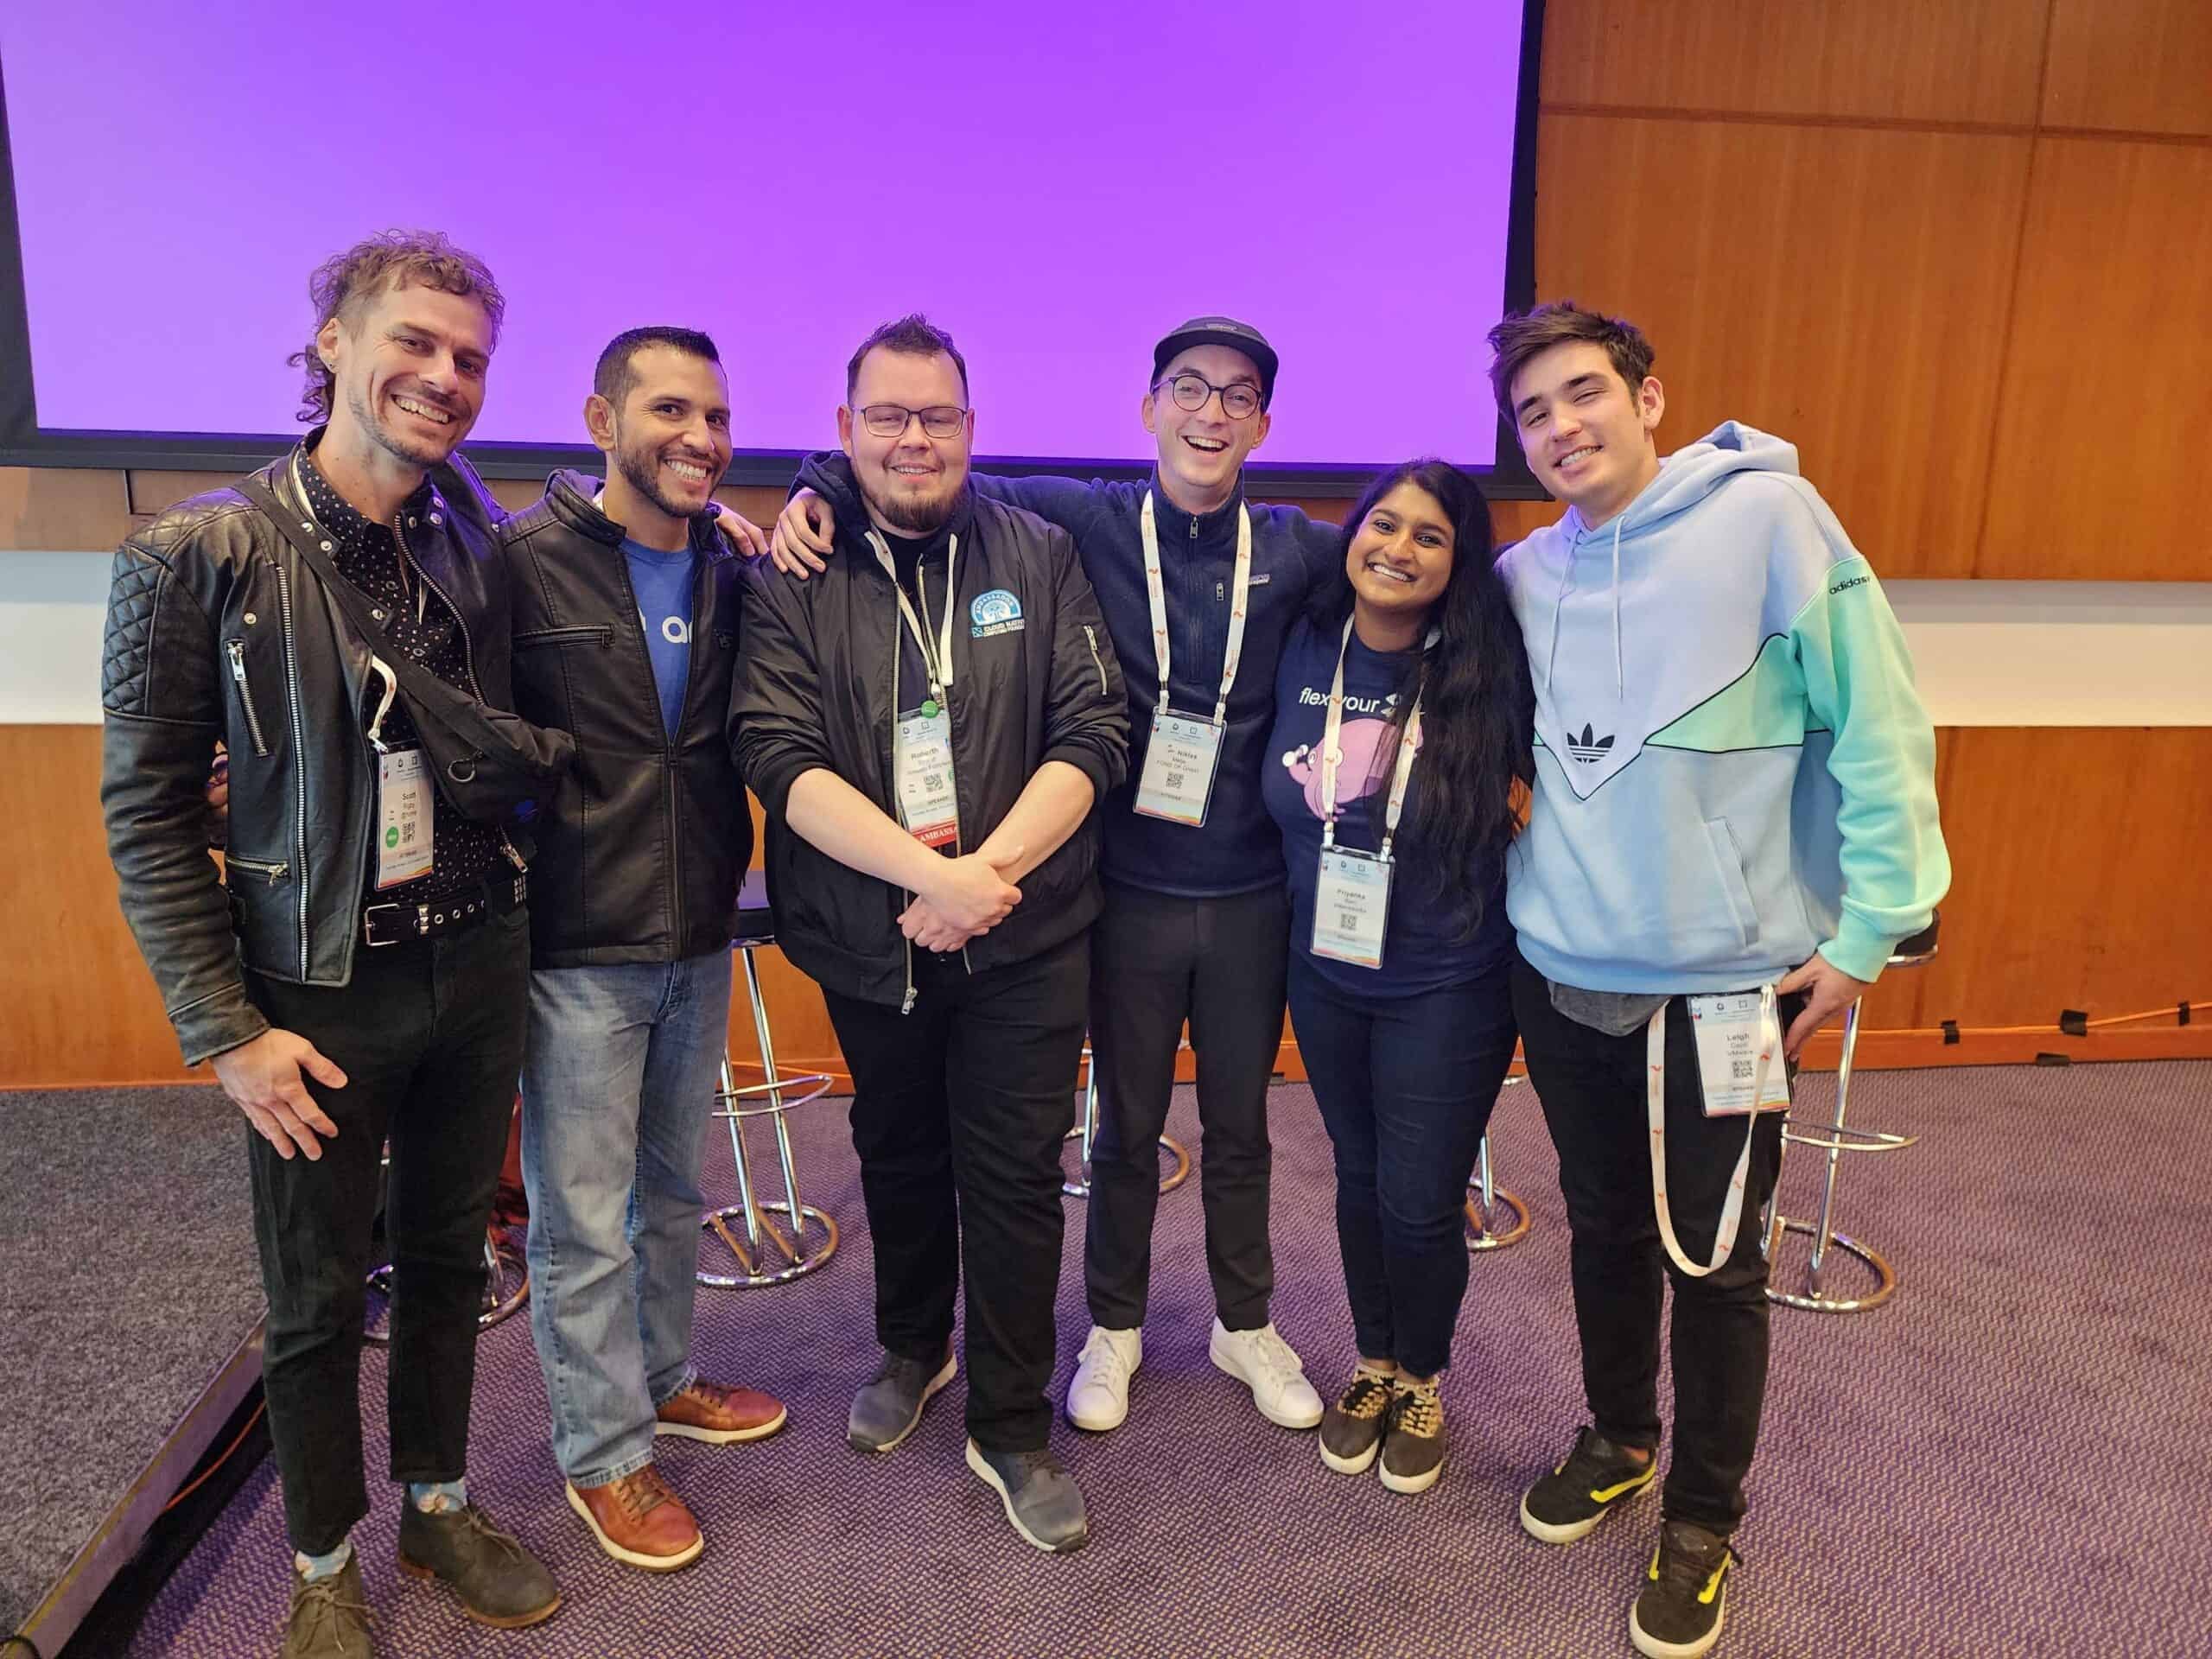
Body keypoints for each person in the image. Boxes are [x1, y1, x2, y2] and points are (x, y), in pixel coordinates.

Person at [99, 231, 562, 1658]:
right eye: (411, 344)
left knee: (446, 1260)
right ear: (332, 351)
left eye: (469, 359)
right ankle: (319, 1565)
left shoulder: (467, 534)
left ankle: (437, 1503)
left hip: (476, 964)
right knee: (310, 1295)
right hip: (314, 990)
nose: (441, 377)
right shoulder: (201, 551)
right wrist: (226, 1032)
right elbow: (148, 811)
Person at [773, 318, 1339, 1436]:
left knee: (1240, 1123)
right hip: (1122, 892)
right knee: (1125, 1126)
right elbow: (920, 461)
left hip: (1246, 895)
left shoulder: (1297, 546)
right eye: (1188, 389)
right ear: (1149, 407)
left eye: (1236, 397)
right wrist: (810, 486)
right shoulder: (1081, 517)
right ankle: (1116, 1329)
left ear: (1263, 423)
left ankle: (1244, 1320)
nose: (1210, 414)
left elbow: (1408, 548)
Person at [1488, 302, 1950, 1658]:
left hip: (1728, 988)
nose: (1562, 427)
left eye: (1584, 394)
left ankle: (1703, 1514)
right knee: (1607, 1231)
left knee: (1719, 1259)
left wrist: (1874, 931)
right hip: (1563, 969)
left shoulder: (1773, 524)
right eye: (1532, 413)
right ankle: (1623, 1435)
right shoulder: (1526, 577)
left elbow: (1882, 721)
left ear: (1650, 397)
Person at [731, 315, 1128, 1553]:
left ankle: (1010, 1427)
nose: (915, 438)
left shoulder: (1042, 552)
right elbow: (775, 755)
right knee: (897, 1151)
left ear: (971, 425)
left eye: (938, 415)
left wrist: (985, 876)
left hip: (1026, 932)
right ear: (843, 432)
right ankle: (914, 1347)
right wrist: (925, 878)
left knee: (1014, 1177)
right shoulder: (795, 573)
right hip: (868, 932)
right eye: (888, 416)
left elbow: (1093, 737)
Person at [499, 326, 785, 1573]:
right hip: (576, 940)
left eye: (716, 417)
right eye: (670, 410)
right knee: (582, 1218)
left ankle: (664, 1379)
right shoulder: (519, 565)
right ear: (599, 416)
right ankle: (604, 1456)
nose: (701, 439)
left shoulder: (733, 565)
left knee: (672, 1191)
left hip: (698, 927)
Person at [1260, 458, 1532, 1497]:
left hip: (1447, 978)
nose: (1398, 547)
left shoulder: (1488, 673)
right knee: (1359, 1175)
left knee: (1419, 1200)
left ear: (1458, 562)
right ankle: (1372, 1359)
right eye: (1383, 523)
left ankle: (1421, 1373)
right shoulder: (1299, 644)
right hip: (1323, 967)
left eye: (1430, 534)